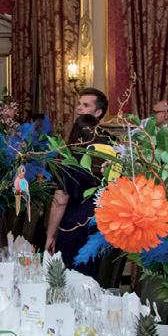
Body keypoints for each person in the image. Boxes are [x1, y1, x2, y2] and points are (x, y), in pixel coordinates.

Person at [45, 114, 103, 275]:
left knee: (70, 275)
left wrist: (50, 235)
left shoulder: (68, 161)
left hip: (73, 225)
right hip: (99, 224)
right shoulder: (104, 161)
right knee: (92, 274)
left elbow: (60, 201)